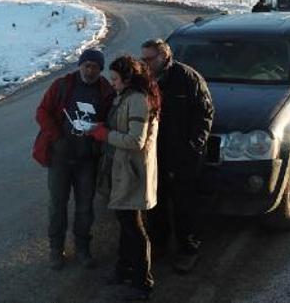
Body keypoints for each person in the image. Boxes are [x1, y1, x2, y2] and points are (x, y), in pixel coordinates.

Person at [34, 48, 115, 270]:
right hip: (61, 158)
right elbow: (42, 112)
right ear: (80, 65)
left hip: (87, 160)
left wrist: (100, 134)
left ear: (101, 69)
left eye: (95, 67)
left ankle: (83, 249)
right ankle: (55, 249)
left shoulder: (106, 91)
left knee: (85, 207)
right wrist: (57, 138)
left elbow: (111, 121)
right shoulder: (62, 85)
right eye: (86, 65)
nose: (90, 70)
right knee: (57, 205)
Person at [87, 55, 160, 301]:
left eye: (116, 79)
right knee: (126, 224)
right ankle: (125, 270)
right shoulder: (125, 97)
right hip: (121, 170)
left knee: (134, 227)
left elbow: (135, 141)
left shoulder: (138, 100)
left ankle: (143, 281)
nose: (113, 84)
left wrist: (103, 134)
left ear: (128, 79)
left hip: (131, 172)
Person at [140, 39, 214, 274]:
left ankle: (188, 250)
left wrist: (194, 147)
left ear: (164, 56)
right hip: (155, 154)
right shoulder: (145, 80)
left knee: (185, 205)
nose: (146, 63)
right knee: (156, 203)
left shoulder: (188, 78)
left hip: (183, 155)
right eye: (143, 59)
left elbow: (205, 114)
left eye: (150, 59)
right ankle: (159, 245)